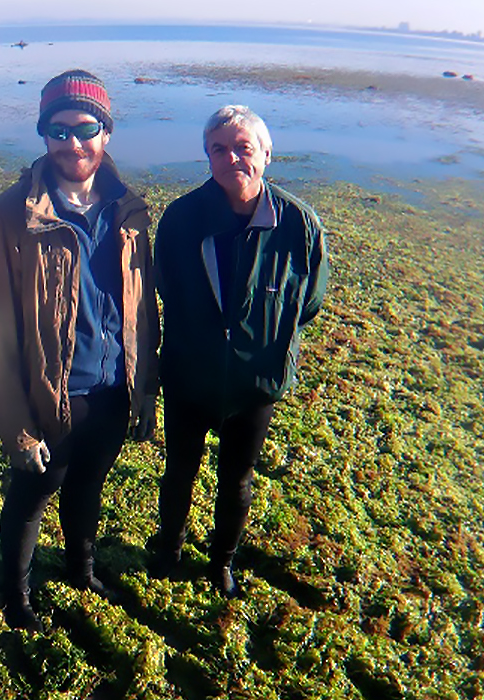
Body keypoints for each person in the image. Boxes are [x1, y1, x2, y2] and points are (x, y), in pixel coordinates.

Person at [0, 69, 160, 632]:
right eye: (58, 131)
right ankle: (17, 593)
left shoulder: (130, 210)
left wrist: (144, 393)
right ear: (43, 134)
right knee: (32, 496)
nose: (73, 144)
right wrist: (17, 429)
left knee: (89, 485)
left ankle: (81, 569)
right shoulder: (12, 215)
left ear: (107, 132)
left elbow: (143, 309)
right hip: (50, 395)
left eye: (86, 129)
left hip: (112, 390)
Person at [149, 105, 330, 598]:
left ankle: (221, 562)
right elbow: (164, 284)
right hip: (189, 374)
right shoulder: (183, 217)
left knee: (237, 479)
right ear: (207, 156)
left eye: (243, 148)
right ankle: (168, 547)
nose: (232, 158)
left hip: (255, 381)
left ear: (266, 154)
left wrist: (258, 335)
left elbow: (308, 302)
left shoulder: (298, 223)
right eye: (219, 149)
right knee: (179, 469)